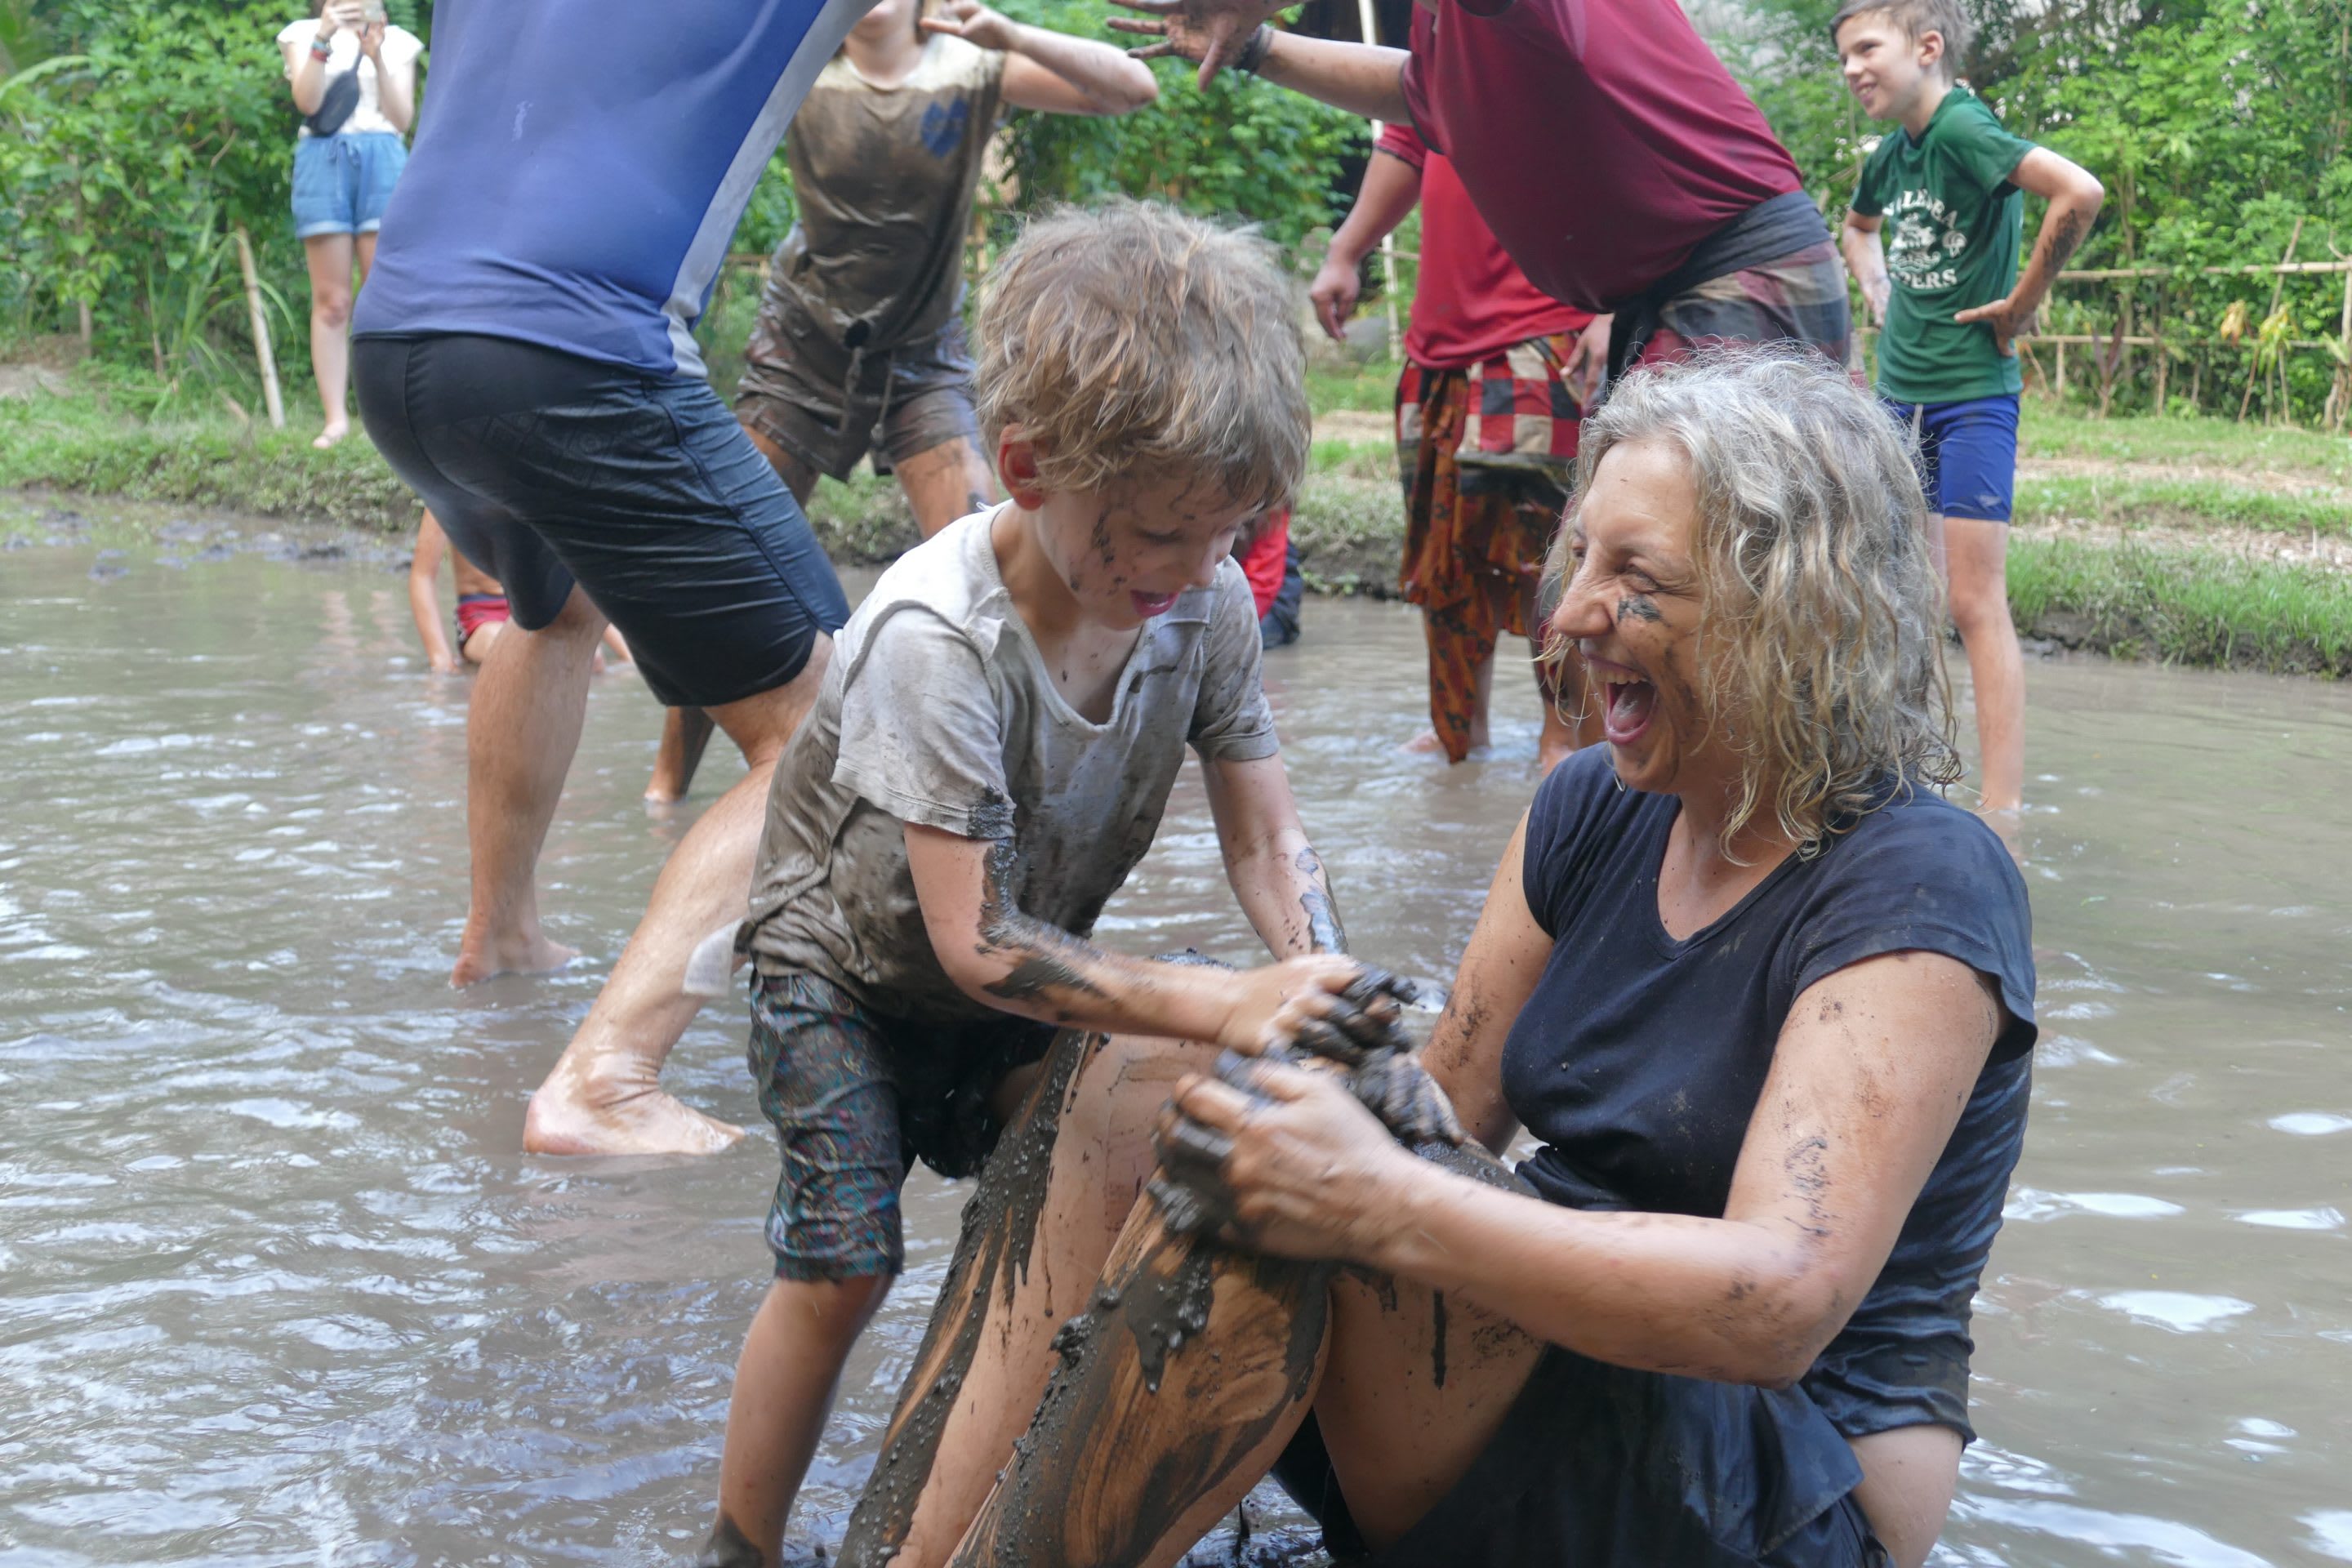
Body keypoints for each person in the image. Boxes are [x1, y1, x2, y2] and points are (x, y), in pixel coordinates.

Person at [856, 350, 2038, 1568]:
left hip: (1781, 1487)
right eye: (1581, 557)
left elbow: (1777, 1304)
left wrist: (1371, 1199)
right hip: (1525, 1369)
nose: (1573, 613)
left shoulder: (1916, 880)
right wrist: (1309, 1089)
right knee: (1167, 1065)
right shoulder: (1593, 809)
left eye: (1637, 577)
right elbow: (1449, 1109)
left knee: (1281, 1176)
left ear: (1796, 612)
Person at [698, 201, 1389, 1568]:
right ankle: (739, 1543)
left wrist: (1325, 985)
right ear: (1025, 465)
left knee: (1141, 1164)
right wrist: (1227, 999)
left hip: (1017, 960)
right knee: (843, 1266)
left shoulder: (1204, 605)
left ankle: (1071, 1480)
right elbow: (972, 946)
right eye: (1156, 535)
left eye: (1230, 532)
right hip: (844, 969)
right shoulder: (932, 635)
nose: (1191, 574)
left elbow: (1265, 841)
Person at [352, 0, 868, 1156]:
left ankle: (504, 936)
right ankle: (609, 1076)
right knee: (845, 724)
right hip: (575, 349)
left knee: (554, 610)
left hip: (400, 344)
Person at [1109, 0, 1852, 382]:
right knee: (1630, 570)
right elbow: (1416, 91)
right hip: (1671, 287)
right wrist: (1253, 48)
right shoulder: (1455, 28)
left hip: (1739, 270)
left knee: (1686, 571)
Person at [734, 0, 1157, 540]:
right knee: (733, 540)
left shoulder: (972, 69)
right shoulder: (797, 65)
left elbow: (1133, 88)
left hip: (922, 349)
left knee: (976, 552)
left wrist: (1012, 35)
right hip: (803, 342)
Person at [1836, 0, 2104, 817]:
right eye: (1843, 56)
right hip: (1897, 398)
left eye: (1866, 49)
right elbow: (1857, 229)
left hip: (1973, 397)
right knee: (1898, 592)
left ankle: (2002, 810)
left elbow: (2079, 194)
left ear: (1927, 46)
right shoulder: (1893, 152)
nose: (1851, 69)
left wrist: (2021, 307)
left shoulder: (1961, 129)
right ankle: (1902, 777)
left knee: (1972, 600)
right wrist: (1880, 292)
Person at [1312, 122, 1600, 768]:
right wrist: (1344, 252)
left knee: (1549, 554)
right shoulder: (1435, 38)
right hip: (1435, 344)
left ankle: (1563, 734)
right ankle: (1458, 729)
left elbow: (1624, 150)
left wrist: (1613, 304)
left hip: (1545, 327)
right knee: (1439, 554)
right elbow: (1405, 145)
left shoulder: (1557, 26)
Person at [276, 0, 421, 450]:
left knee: (383, 297)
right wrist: (323, 37)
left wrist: (375, 53)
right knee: (333, 301)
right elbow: (307, 102)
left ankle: (389, 422)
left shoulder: (397, 41)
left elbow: (402, 118)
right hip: (324, 160)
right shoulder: (301, 34)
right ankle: (336, 420)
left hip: (383, 157)